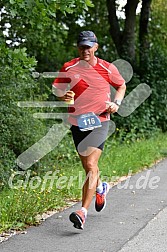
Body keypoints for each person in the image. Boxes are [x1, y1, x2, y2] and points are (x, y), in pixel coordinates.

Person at [52, 31, 126, 230]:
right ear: (78, 48)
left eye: (89, 46)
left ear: (96, 47)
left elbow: (121, 85)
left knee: (92, 165)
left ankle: (82, 212)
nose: (85, 50)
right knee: (88, 167)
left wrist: (116, 103)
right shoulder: (69, 67)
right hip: (78, 122)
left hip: (100, 120)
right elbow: (57, 90)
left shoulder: (106, 67)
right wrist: (64, 96)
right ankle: (101, 187)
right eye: (82, 46)